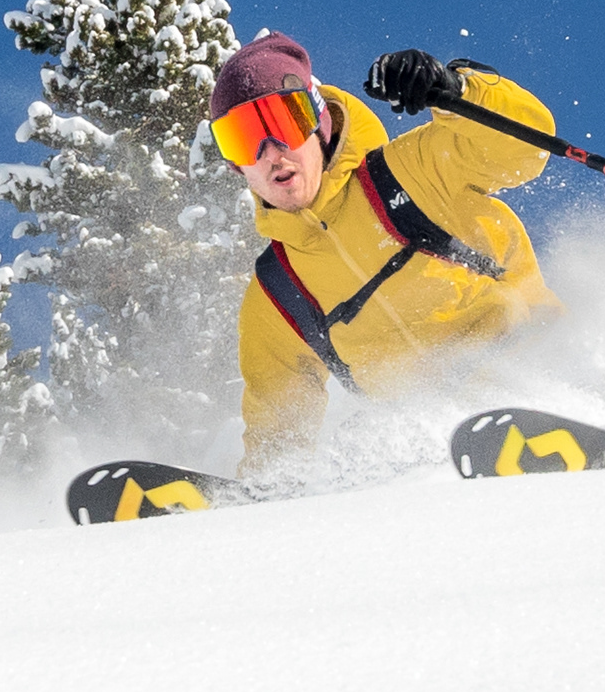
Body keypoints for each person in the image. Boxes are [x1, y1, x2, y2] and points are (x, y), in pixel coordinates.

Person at [213, 31, 560, 477]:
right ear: (234, 164)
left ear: (319, 122)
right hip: (440, 451)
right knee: (362, 450)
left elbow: (526, 148)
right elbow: (277, 428)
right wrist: (262, 494)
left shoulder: (414, 171)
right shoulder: (278, 293)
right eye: (243, 139)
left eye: (284, 121)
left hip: (541, 379)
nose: (270, 152)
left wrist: (458, 91)